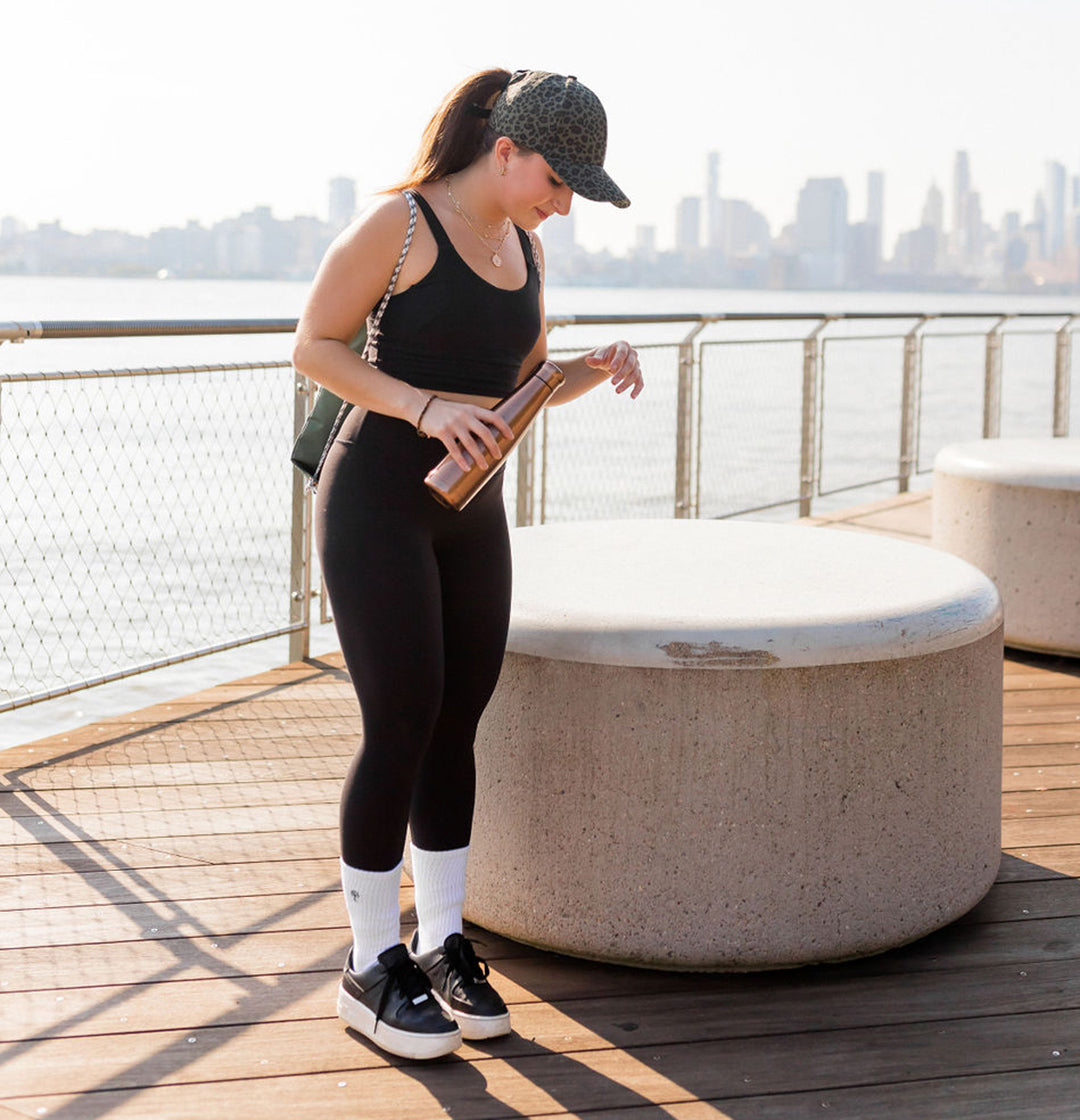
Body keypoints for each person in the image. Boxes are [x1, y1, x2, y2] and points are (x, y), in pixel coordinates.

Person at [292, 68, 643, 1061]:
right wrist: (422, 404)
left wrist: (593, 366)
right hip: (376, 504)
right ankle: (370, 964)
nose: (564, 204)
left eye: (576, 189)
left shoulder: (523, 246)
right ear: (505, 150)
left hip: (469, 514)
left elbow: (528, 383)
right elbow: (314, 346)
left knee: (457, 718)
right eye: (558, 180)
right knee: (399, 717)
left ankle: (442, 941)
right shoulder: (399, 228)